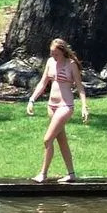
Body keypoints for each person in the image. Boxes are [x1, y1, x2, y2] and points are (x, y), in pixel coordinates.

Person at [25, 38, 89, 183]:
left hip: (65, 106)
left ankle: (43, 173)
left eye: (56, 54)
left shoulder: (71, 65)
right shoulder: (50, 62)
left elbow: (79, 87)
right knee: (62, 141)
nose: (54, 56)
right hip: (51, 106)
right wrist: (32, 100)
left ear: (63, 52)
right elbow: (43, 83)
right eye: (52, 53)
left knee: (47, 139)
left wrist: (84, 106)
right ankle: (71, 174)